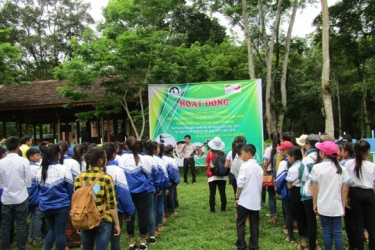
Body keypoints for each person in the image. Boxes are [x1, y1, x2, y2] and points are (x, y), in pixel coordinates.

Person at [74, 146, 121, 250]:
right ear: (100, 160)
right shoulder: (106, 178)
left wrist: (78, 222)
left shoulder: (79, 178)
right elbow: (112, 204)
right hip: (102, 219)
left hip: (85, 218)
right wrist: (117, 223)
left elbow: (77, 202)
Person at [310, 140, 350, 250]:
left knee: (326, 230)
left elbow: (314, 186)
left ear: (323, 153)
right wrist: (343, 204)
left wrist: (314, 202)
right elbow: (345, 188)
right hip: (336, 205)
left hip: (322, 204)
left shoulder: (317, 168)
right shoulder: (342, 169)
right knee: (337, 231)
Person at [120, 137, 154, 250]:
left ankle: (131, 243)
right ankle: (143, 242)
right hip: (142, 191)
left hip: (127, 191)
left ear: (126, 146)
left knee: (130, 216)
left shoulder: (121, 159)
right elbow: (148, 174)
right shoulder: (143, 159)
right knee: (142, 215)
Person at [0, 136, 32, 250]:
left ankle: (4, 247)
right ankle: (21, 247)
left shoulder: (1, 162)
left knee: (5, 224)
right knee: (21, 223)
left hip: (6, 197)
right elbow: (28, 180)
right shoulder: (23, 161)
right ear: (18, 146)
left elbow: (0, 182)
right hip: (21, 196)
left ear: (6, 147)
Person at [344, 140, 375, 250]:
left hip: (355, 194)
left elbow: (346, 182)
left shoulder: (348, 164)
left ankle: (359, 247)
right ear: (368, 151)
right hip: (368, 194)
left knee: (358, 224)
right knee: (371, 225)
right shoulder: (372, 166)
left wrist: (346, 197)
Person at [235, 144, 263, 250]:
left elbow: (240, 184)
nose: (241, 156)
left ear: (248, 154)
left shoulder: (245, 166)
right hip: (255, 200)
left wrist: (237, 197)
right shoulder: (259, 168)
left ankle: (241, 245)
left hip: (244, 200)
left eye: (242, 154)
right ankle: (254, 246)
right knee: (254, 225)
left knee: (240, 223)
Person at [298, 134, 320, 250]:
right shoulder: (322, 156)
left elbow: (301, 176)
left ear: (308, 145)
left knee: (310, 220)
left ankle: (312, 245)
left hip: (309, 193)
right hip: (322, 192)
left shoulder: (307, 159)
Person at [286, 146, 308, 249]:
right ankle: (313, 239)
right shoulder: (304, 164)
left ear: (293, 157)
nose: (288, 158)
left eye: (288, 156)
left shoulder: (293, 168)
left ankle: (303, 241)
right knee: (308, 217)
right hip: (307, 193)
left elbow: (289, 185)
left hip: (296, 193)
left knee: (299, 217)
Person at [26, 148, 44, 246]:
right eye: (37, 155)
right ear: (31, 157)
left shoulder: (27, 166)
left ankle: (30, 237)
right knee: (37, 217)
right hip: (37, 196)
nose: (39, 157)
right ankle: (36, 239)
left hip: (30, 196)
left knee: (33, 217)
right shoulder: (36, 168)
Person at [205, 136, 227, 214]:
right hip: (222, 176)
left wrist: (213, 167)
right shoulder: (224, 154)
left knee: (212, 193)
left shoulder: (210, 154)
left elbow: (207, 164)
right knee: (222, 192)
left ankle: (212, 210)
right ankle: (223, 209)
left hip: (212, 176)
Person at [262, 131, 279, 223]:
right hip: (280, 173)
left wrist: (265, 172)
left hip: (270, 173)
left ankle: (273, 216)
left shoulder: (268, 149)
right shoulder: (281, 148)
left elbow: (265, 164)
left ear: (271, 138)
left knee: (271, 195)